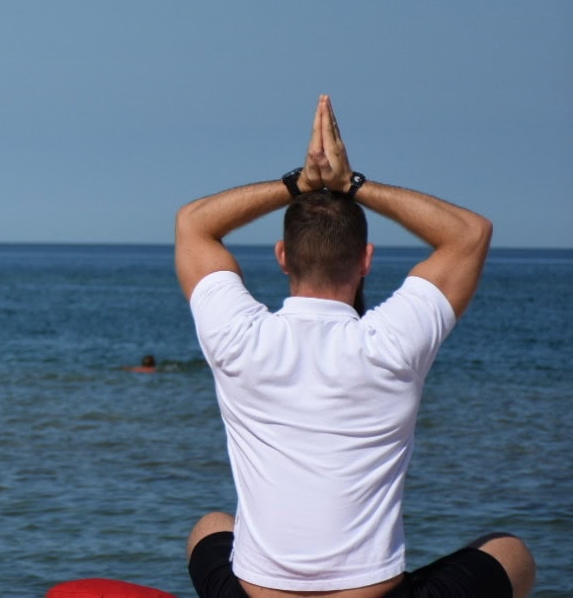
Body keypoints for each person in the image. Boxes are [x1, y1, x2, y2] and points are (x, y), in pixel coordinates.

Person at [174, 95, 535, 598]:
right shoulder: (392, 342)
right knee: (512, 554)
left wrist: (298, 183)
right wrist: (353, 185)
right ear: (366, 259)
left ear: (283, 256)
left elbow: (193, 223)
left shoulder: (238, 336)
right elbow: (470, 234)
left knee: (211, 526)